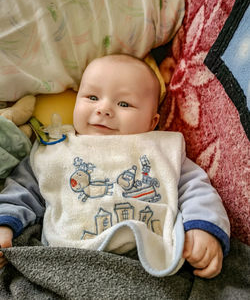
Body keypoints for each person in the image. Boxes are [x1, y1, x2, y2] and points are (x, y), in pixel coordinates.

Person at [0, 54, 230, 278]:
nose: (103, 109)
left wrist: (203, 227)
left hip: (149, 261)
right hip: (68, 262)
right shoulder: (56, 150)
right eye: (91, 97)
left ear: (152, 122)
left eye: (123, 103)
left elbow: (196, 189)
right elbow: (22, 190)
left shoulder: (159, 149)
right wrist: (5, 225)